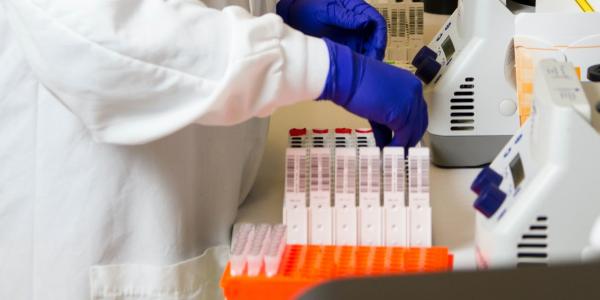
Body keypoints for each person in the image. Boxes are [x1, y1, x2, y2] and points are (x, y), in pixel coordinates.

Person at [0, 0, 427, 299]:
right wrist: (319, 67)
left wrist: (277, 10)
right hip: (101, 226)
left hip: (199, 204)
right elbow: (94, 36)